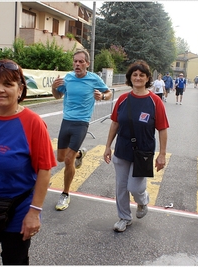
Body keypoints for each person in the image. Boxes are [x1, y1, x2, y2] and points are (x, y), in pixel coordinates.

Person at [0, 59, 57, 265]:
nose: (0, 90)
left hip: (18, 210)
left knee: (14, 261)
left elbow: (44, 170)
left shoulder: (33, 123)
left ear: (20, 88)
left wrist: (35, 212)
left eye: (8, 84)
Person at [103, 60, 169, 232]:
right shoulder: (123, 99)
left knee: (135, 187)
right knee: (121, 187)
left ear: (147, 78)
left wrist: (162, 154)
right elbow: (115, 123)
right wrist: (107, 146)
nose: (138, 78)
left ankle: (143, 201)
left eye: (141, 75)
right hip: (122, 149)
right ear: (130, 77)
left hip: (143, 152)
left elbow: (162, 129)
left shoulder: (155, 102)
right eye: (134, 75)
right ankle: (124, 217)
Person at [51, 49, 111, 211]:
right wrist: (54, 88)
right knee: (61, 158)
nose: (77, 64)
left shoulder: (94, 79)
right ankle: (80, 154)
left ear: (87, 64)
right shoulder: (68, 78)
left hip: (81, 123)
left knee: (68, 161)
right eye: (75, 61)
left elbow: (109, 93)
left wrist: (102, 97)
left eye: (81, 62)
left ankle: (65, 194)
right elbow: (57, 96)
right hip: (66, 121)